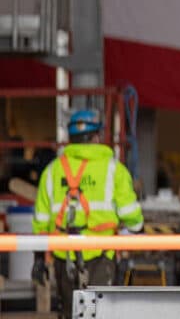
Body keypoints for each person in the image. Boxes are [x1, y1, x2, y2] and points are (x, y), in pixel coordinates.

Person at [31, 108, 143, 319]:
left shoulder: (52, 171)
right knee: (101, 312)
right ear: (96, 137)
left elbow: (41, 219)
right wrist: (137, 229)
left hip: (63, 256)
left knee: (68, 312)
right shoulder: (113, 169)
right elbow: (131, 214)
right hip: (101, 254)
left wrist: (38, 257)